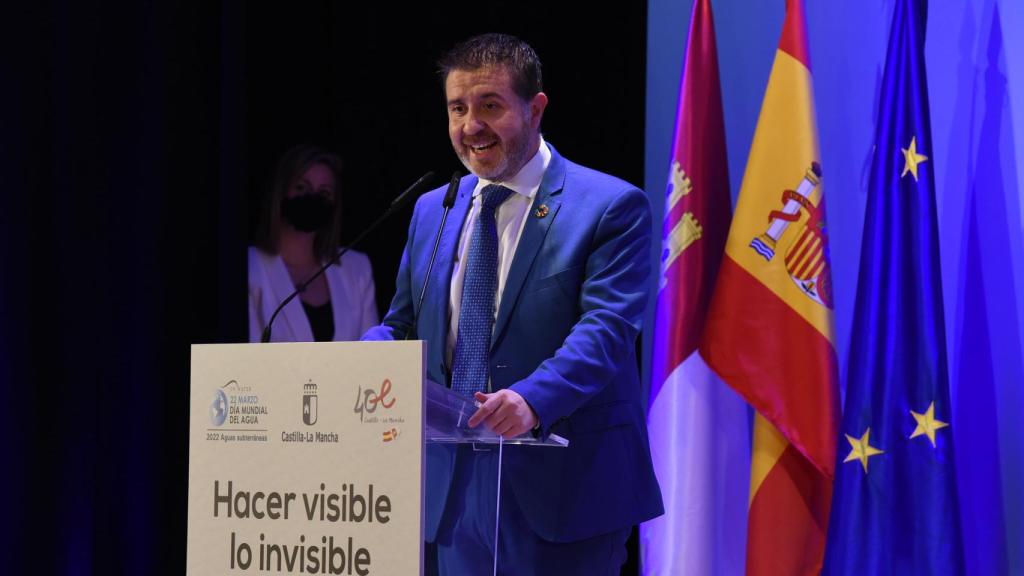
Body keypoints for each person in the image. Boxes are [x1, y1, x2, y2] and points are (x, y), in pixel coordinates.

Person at [363, 33, 663, 574]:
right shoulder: (434, 209)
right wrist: (365, 357)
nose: (469, 126)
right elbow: (403, 325)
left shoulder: (610, 207)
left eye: (490, 106)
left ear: (536, 108)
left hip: (562, 485)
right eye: (457, 108)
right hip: (448, 488)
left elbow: (607, 330)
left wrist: (531, 399)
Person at [249, 144, 378, 343]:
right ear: (281, 192)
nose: (312, 197)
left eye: (324, 193)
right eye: (302, 188)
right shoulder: (252, 266)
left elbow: (372, 353)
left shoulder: (357, 268)